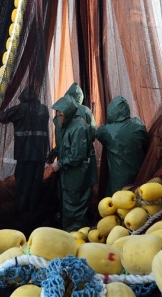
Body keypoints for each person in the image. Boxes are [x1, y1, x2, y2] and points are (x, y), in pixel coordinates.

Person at [0, 86, 50, 214]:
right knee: (36, 184)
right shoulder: (44, 109)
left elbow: (2, 117)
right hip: (40, 154)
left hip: (24, 154)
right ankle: (32, 211)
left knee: (23, 183)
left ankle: (21, 211)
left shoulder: (21, 109)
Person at [50, 95, 98, 232]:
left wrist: (60, 164)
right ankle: (69, 232)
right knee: (69, 207)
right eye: (58, 112)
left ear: (69, 112)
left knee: (75, 209)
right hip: (71, 176)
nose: (59, 114)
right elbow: (67, 147)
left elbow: (78, 156)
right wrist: (55, 152)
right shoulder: (69, 125)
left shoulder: (78, 128)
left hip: (78, 177)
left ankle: (76, 235)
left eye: (61, 112)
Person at [96, 96, 148, 196]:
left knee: (119, 201)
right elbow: (145, 141)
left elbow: (97, 133)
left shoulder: (107, 130)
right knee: (138, 198)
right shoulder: (138, 124)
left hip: (118, 180)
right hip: (140, 173)